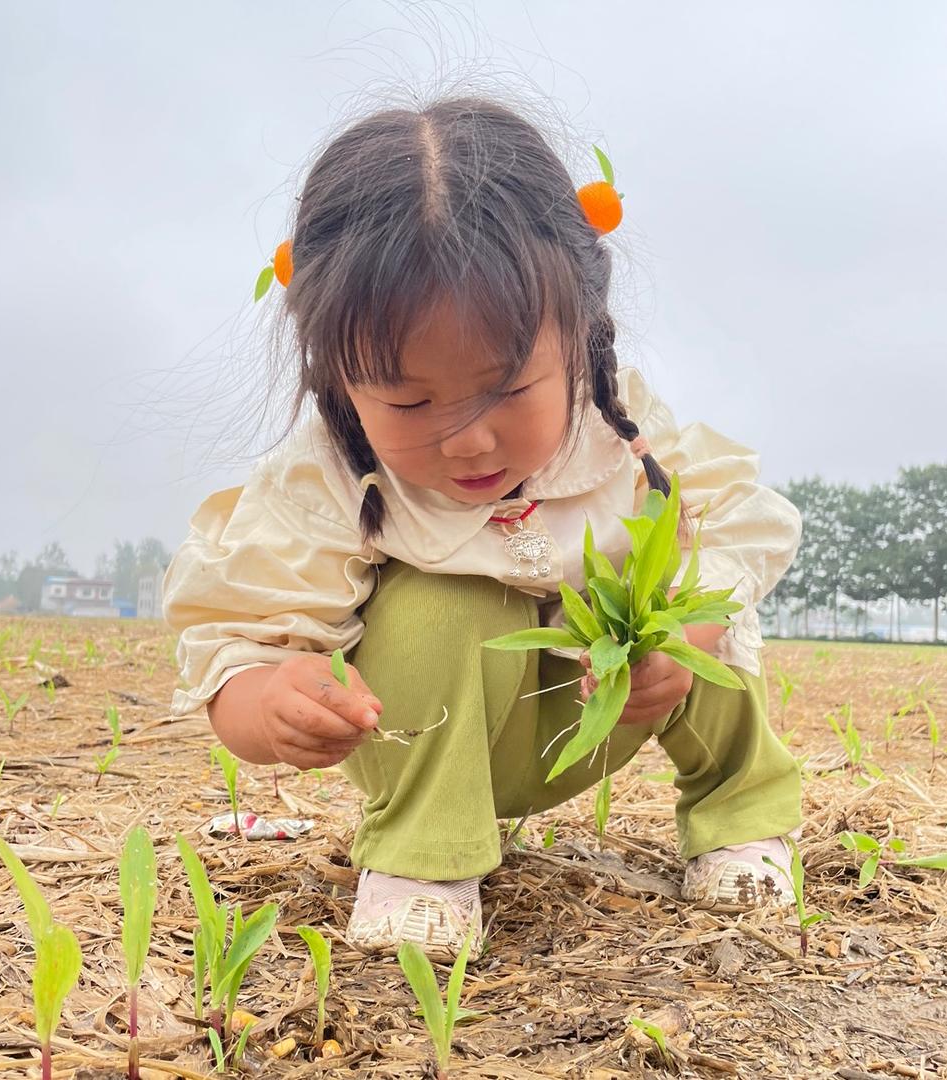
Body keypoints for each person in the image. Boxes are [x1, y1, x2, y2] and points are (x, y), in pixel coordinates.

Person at [163, 95, 804, 962]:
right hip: (429, 740)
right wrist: (266, 706)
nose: (468, 439)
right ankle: (426, 861)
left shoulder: (619, 431)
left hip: (598, 714)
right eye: (410, 400)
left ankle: (741, 816)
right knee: (439, 600)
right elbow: (234, 640)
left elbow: (745, 524)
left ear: (578, 336)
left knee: (700, 587)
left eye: (506, 387)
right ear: (339, 377)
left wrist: (678, 635)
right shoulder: (327, 479)